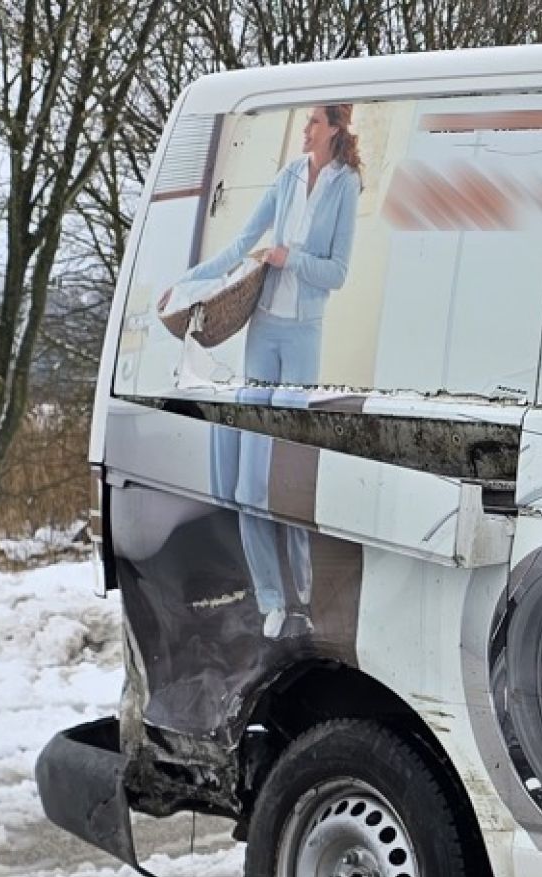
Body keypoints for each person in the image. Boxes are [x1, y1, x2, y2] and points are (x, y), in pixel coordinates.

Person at [187, 104, 363, 639]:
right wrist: (191, 284)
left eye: (313, 122)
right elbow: (243, 241)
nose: (305, 130)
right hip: (262, 332)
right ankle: (270, 598)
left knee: (287, 474)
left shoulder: (345, 186)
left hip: (303, 337)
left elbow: (337, 272)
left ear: (334, 128)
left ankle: (303, 596)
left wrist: (291, 259)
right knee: (249, 482)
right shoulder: (288, 177)